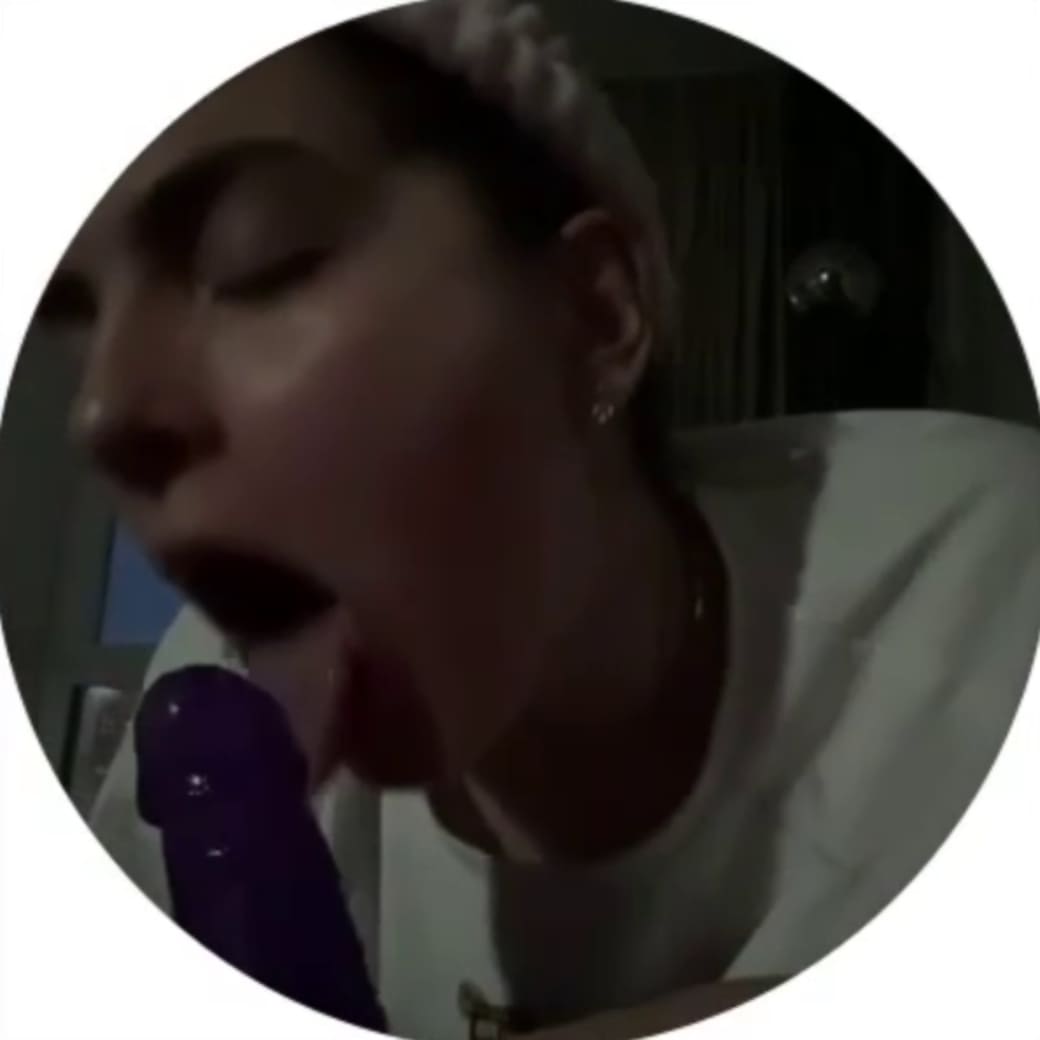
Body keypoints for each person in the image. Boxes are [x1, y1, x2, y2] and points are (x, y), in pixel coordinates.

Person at [38, 1, 1040, 1036]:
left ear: (595, 317)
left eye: (256, 259)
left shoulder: (991, 598)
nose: (99, 411)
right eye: (74, 332)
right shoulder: (204, 701)